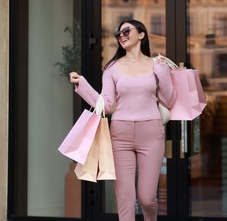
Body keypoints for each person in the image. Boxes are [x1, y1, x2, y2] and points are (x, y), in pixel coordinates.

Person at [69, 19, 176, 221]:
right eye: (119, 33)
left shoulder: (156, 65)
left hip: (151, 133)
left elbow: (169, 100)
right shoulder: (112, 68)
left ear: (141, 34)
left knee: (147, 198)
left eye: (127, 30)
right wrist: (81, 84)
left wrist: (163, 72)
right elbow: (107, 105)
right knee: (125, 199)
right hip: (121, 134)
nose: (122, 36)